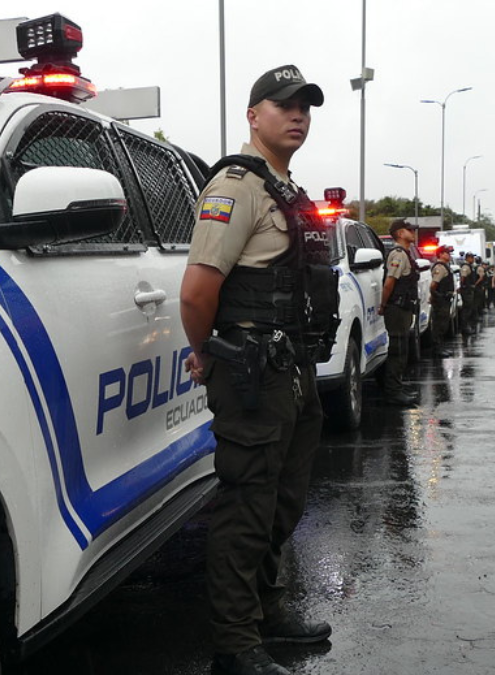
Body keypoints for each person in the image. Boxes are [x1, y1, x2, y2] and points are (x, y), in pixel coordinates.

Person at [180, 64, 335, 675]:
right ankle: (235, 642)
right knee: (246, 506)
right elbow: (197, 292)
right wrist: (205, 350)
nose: (297, 115)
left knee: (283, 501)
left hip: (291, 367)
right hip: (252, 373)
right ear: (254, 115)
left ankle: (267, 610)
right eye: (283, 105)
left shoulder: (285, 189)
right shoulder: (236, 187)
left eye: (305, 107)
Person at [379, 219, 420, 406]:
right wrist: (383, 305)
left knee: (403, 349)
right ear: (400, 233)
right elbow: (389, 283)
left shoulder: (405, 253)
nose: (413, 233)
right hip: (396, 308)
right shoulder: (398, 254)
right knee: (397, 350)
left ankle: (397, 386)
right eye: (409, 230)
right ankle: (393, 392)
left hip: (403, 308)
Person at [429, 245, 455, 358]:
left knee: (443, 324)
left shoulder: (445, 266)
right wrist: (438, 297)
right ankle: (436, 348)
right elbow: (433, 285)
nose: (449, 255)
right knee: (439, 325)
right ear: (440, 254)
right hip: (441, 300)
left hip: (445, 299)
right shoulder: (440, 267)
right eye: (447, 253)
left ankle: (440, 346)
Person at [458, 252, 477, 335]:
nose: (473, 259)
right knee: (466, 309)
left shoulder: (470, 266)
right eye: (472, 258)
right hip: (466, 291)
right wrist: (463, 286)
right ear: (468, 258)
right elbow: (463, 277)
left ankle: (467, 327)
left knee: (469, 309)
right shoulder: (466, 266)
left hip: (469, 290)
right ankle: (464, 328)